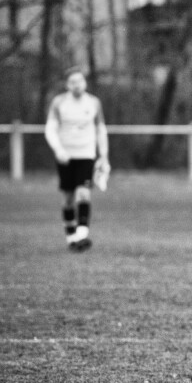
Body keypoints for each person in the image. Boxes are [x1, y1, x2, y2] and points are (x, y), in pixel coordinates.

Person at [44, 67, 110, 252]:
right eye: (73, 82)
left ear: (85, 82)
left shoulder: (94, 103)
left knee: (83, 193)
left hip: (86, 155)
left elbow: (100, 130)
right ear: (67, 84)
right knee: (67, 198)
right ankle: (71, 236)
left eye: (80, 81)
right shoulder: (59, 102)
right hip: (65, 157)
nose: (77, 85)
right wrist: (58, 150)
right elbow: (50, 129)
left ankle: (82, 235)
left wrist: (103, 156)